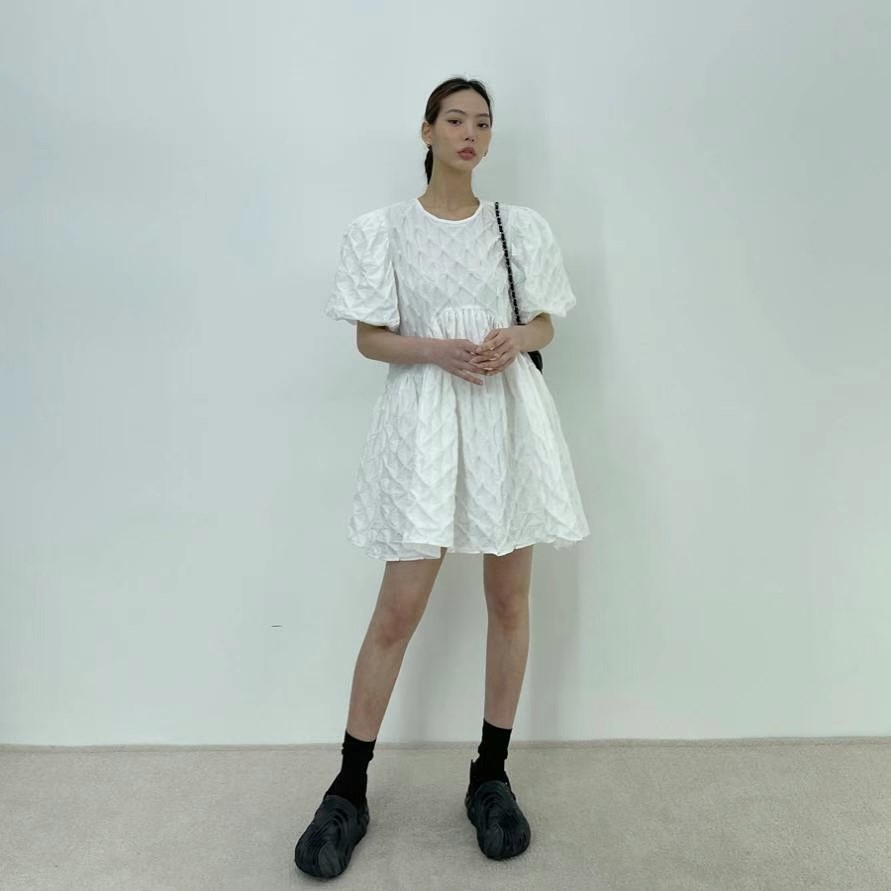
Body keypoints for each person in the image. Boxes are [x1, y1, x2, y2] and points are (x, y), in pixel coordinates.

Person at [295, 76, 590, 879]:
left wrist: (513, 338)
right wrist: (435, 348)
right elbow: (369, 338)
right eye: (455, 119)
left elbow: (544, 322)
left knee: (509, 599)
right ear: (426, 131)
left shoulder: (516, 227)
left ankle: (490, 775)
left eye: (482, 123)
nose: (470, 133)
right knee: (398, 607)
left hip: (505, 419)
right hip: (424, 423)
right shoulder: (384, 230)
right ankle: (348, 787)